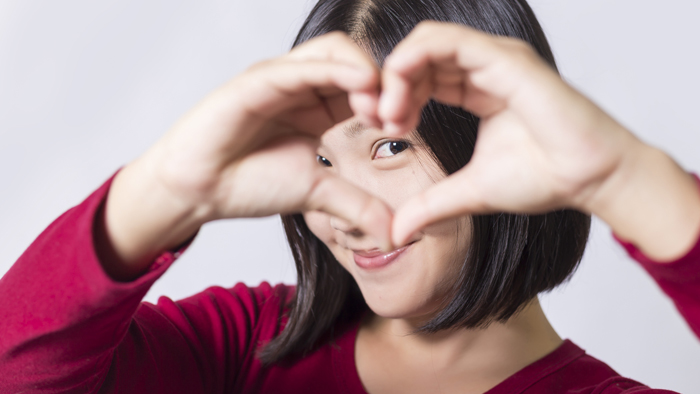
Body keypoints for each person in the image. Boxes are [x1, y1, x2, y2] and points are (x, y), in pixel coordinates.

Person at [1, 0, 698, 393]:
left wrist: (627, 179)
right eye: (321, 159)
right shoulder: (246, 345)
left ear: (492, 137)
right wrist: (163, 189)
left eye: (390, 147)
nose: (343, 205)